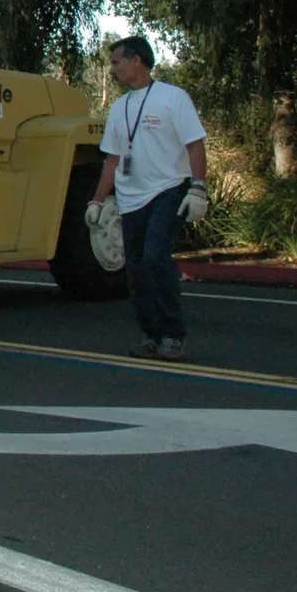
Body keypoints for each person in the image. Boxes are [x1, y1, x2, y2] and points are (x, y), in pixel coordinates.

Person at [85, 35, 208, 362]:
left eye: (116, 62)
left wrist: (198, 187)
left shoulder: (172, 98)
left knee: (155, 258)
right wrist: (96, 201)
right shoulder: (119, 108)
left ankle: (173, 334)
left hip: (167, 189)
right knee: (136, 270)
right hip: (130, 198)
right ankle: (152, 335)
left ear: (136, 60)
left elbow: (195, 144)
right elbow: (112, 159)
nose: (112, 69)